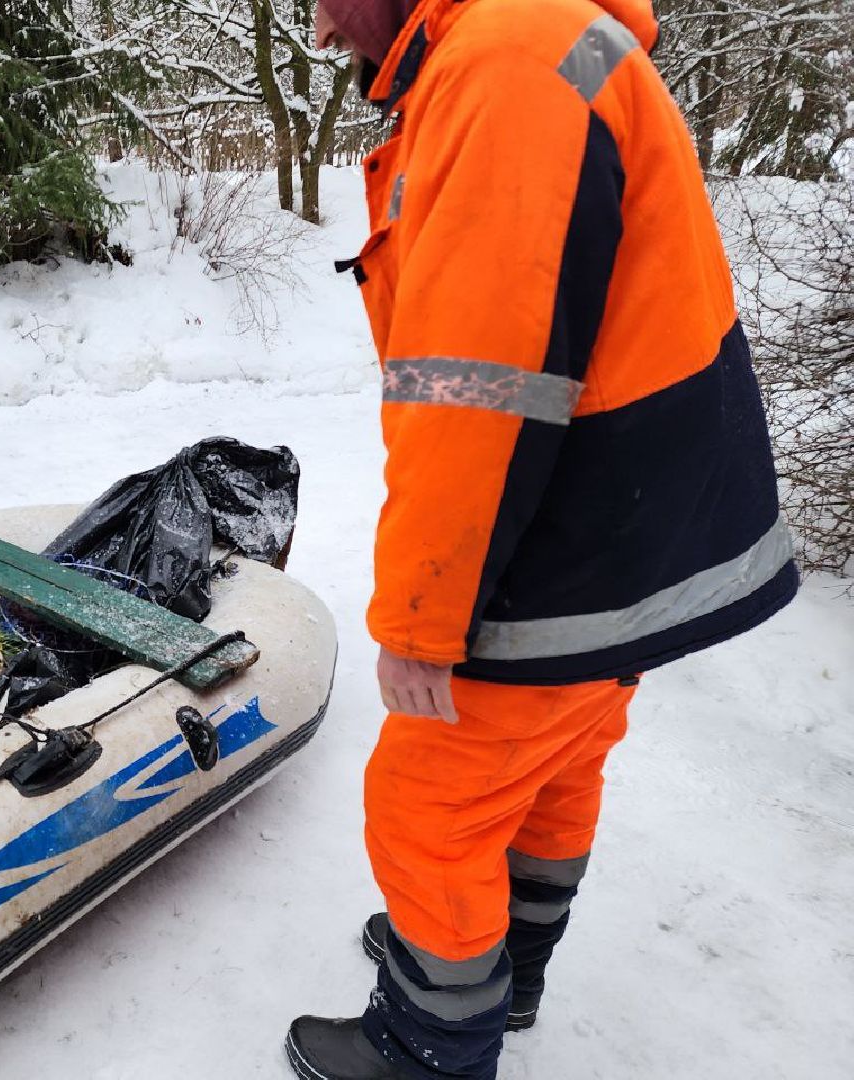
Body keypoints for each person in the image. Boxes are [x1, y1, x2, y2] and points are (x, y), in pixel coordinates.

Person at [285, 1, 799, 1077]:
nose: (323, 32)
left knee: (430, 806)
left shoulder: (501, 67)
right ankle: (499, 970)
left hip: (561, 537)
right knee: (559, 763)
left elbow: (476, 392)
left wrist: (422, 619)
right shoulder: (538, 35)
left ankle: (432, 1042)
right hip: (626, 522)